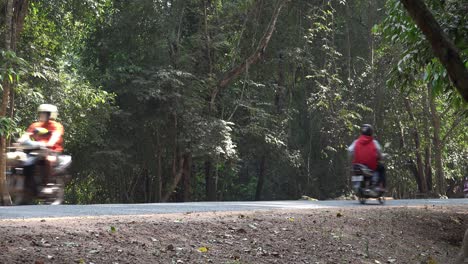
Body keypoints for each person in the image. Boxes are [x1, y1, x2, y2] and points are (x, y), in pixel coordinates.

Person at [18, 104, 64, 188]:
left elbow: (55, 136)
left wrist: (49, 144)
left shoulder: (56, 125)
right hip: (37, 150)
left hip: (52, 151)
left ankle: (48, 184)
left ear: (49, 115)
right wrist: (20, 141)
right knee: (24, 161)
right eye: (41, 113)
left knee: (48, 160)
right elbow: (27, 135)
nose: (42, 115)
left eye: (44, 113)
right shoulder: (35, 125)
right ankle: (28, 183)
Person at [348, 124, 386, 191]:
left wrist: (352, 158)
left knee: (354, 170)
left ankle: (361, 185)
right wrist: (381, 157)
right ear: (371, 132)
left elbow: (350, 151)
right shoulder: (374, 142)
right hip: (370, 166)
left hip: (358, 166)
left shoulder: (356, 142)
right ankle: (379, 186)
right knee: (381, 168)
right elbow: (379, 153)